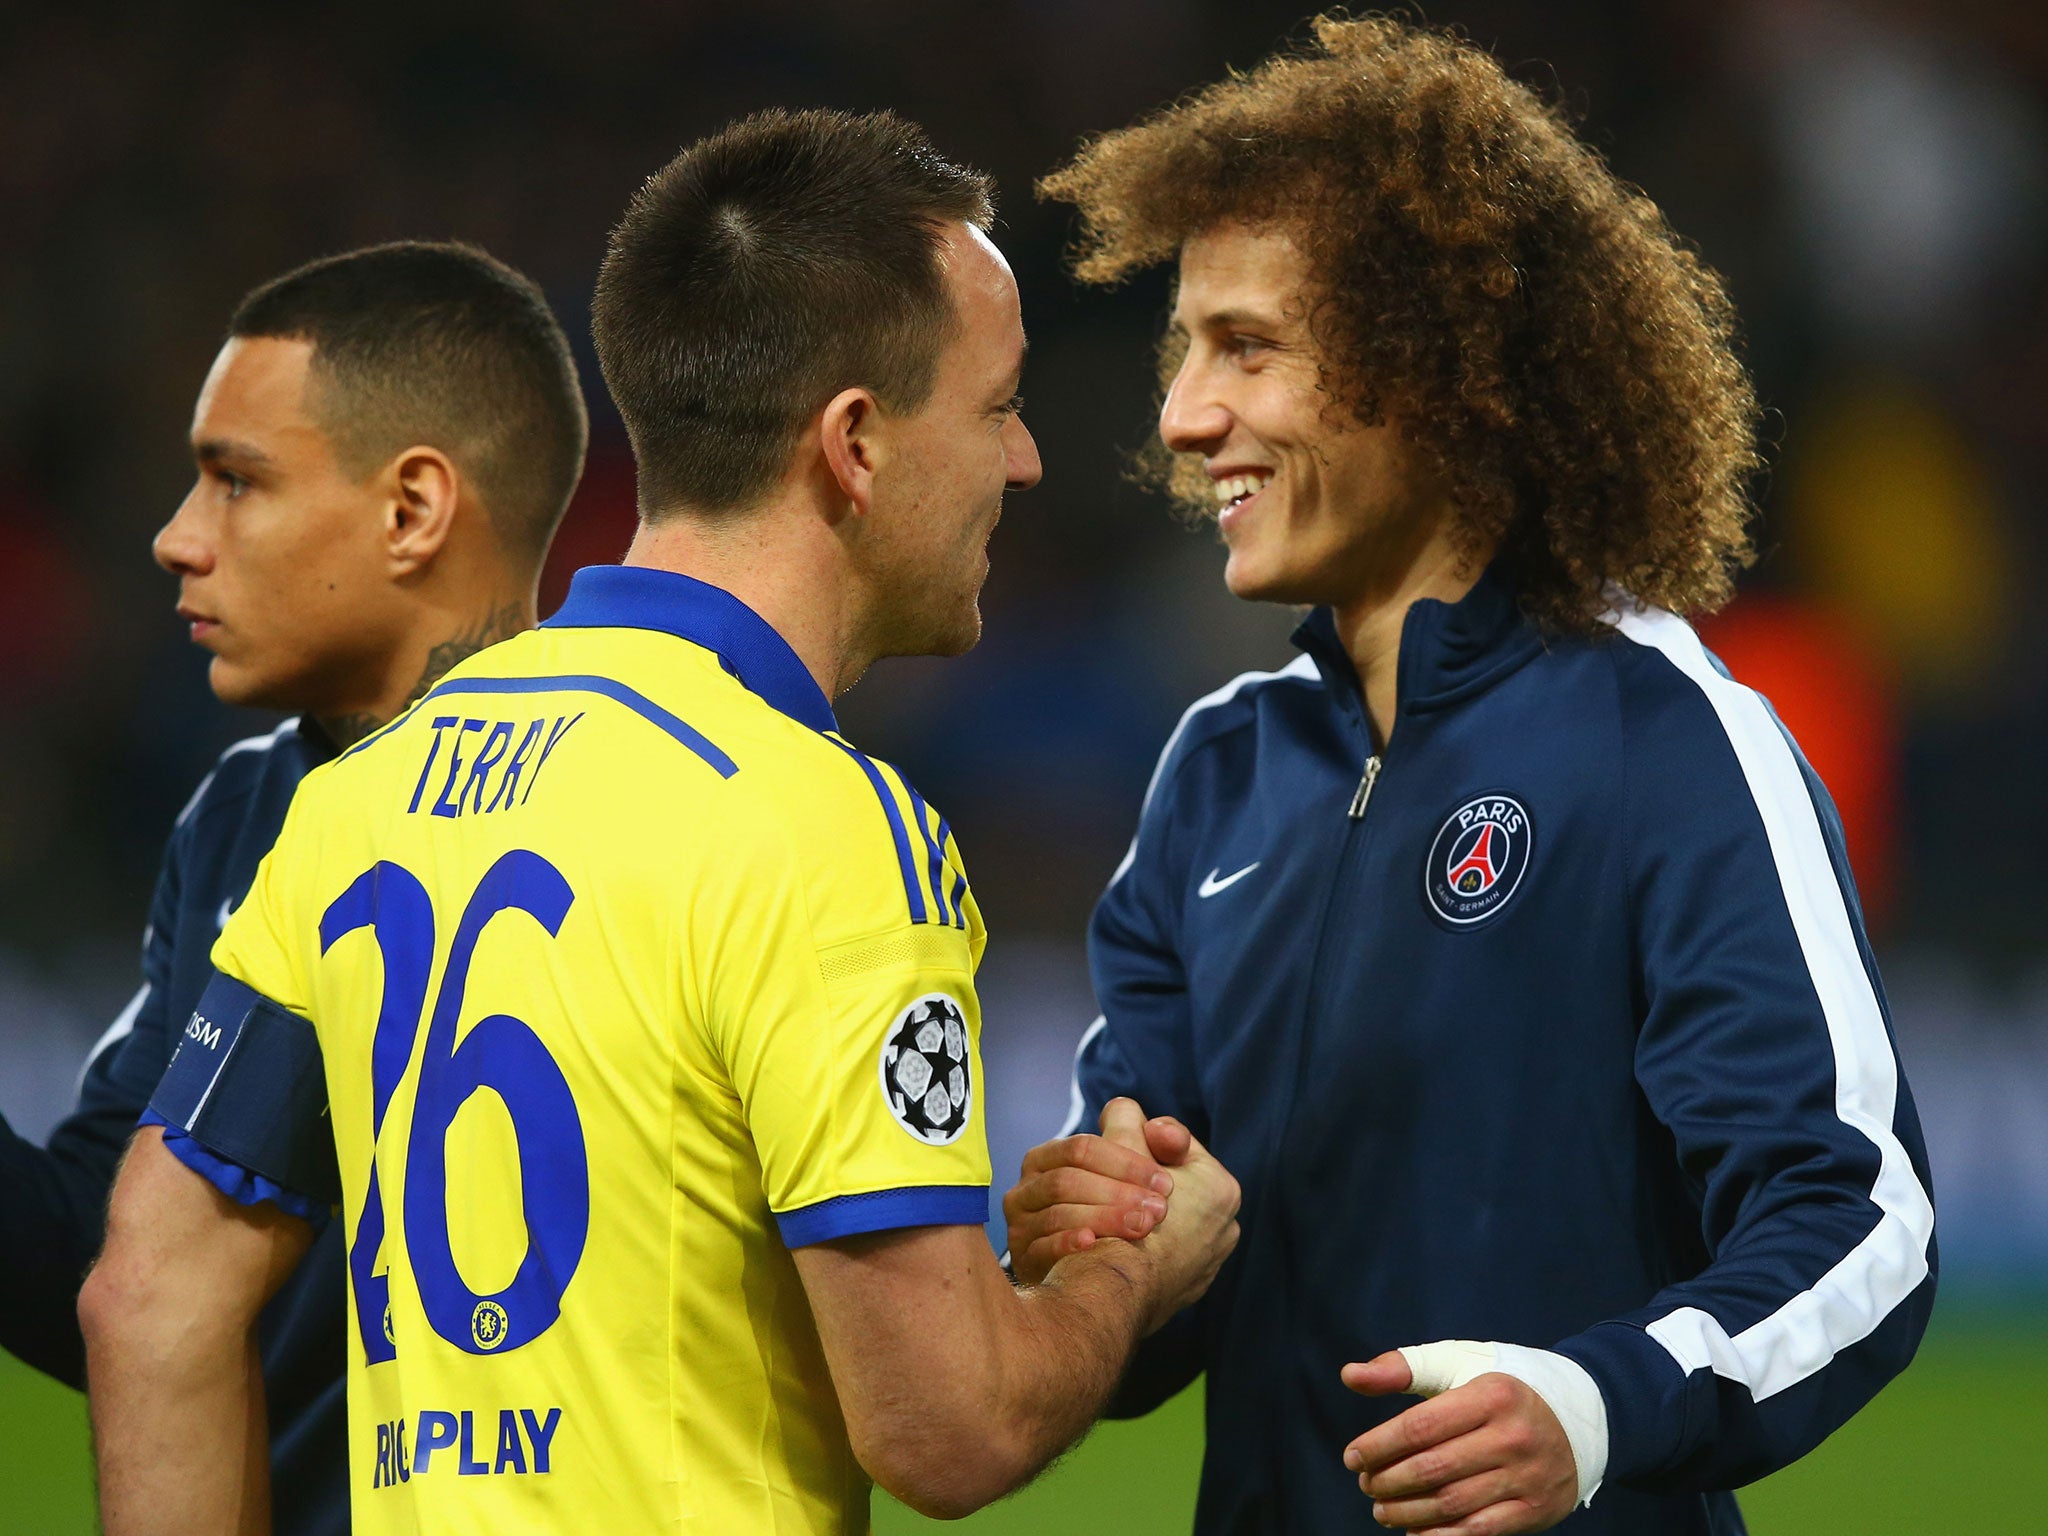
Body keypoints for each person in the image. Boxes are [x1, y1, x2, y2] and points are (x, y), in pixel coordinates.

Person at [82, 108, 1242, 1535]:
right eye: (996, 406)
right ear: (857, 444)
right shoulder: (819, 827)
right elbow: (951, 1430)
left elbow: (150, 1293)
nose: (1025, 464)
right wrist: (1130, 1270)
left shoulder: (362, 794)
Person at [1003, 16, 1935, 1535]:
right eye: (1185, 349)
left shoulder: (1666, 740)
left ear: (1432, 372)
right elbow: (1146, 1302)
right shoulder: (1214, 775)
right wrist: (1093, 1248)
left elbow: (1860, 1224)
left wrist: (1596, 1406)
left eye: (1245, 346)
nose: (1180, 416)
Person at [0, 239, 586, 1535]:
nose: (176, 539)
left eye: (236, 482)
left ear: (414, 510)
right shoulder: (251, 811)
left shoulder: (663, 799)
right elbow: (112, 1276)